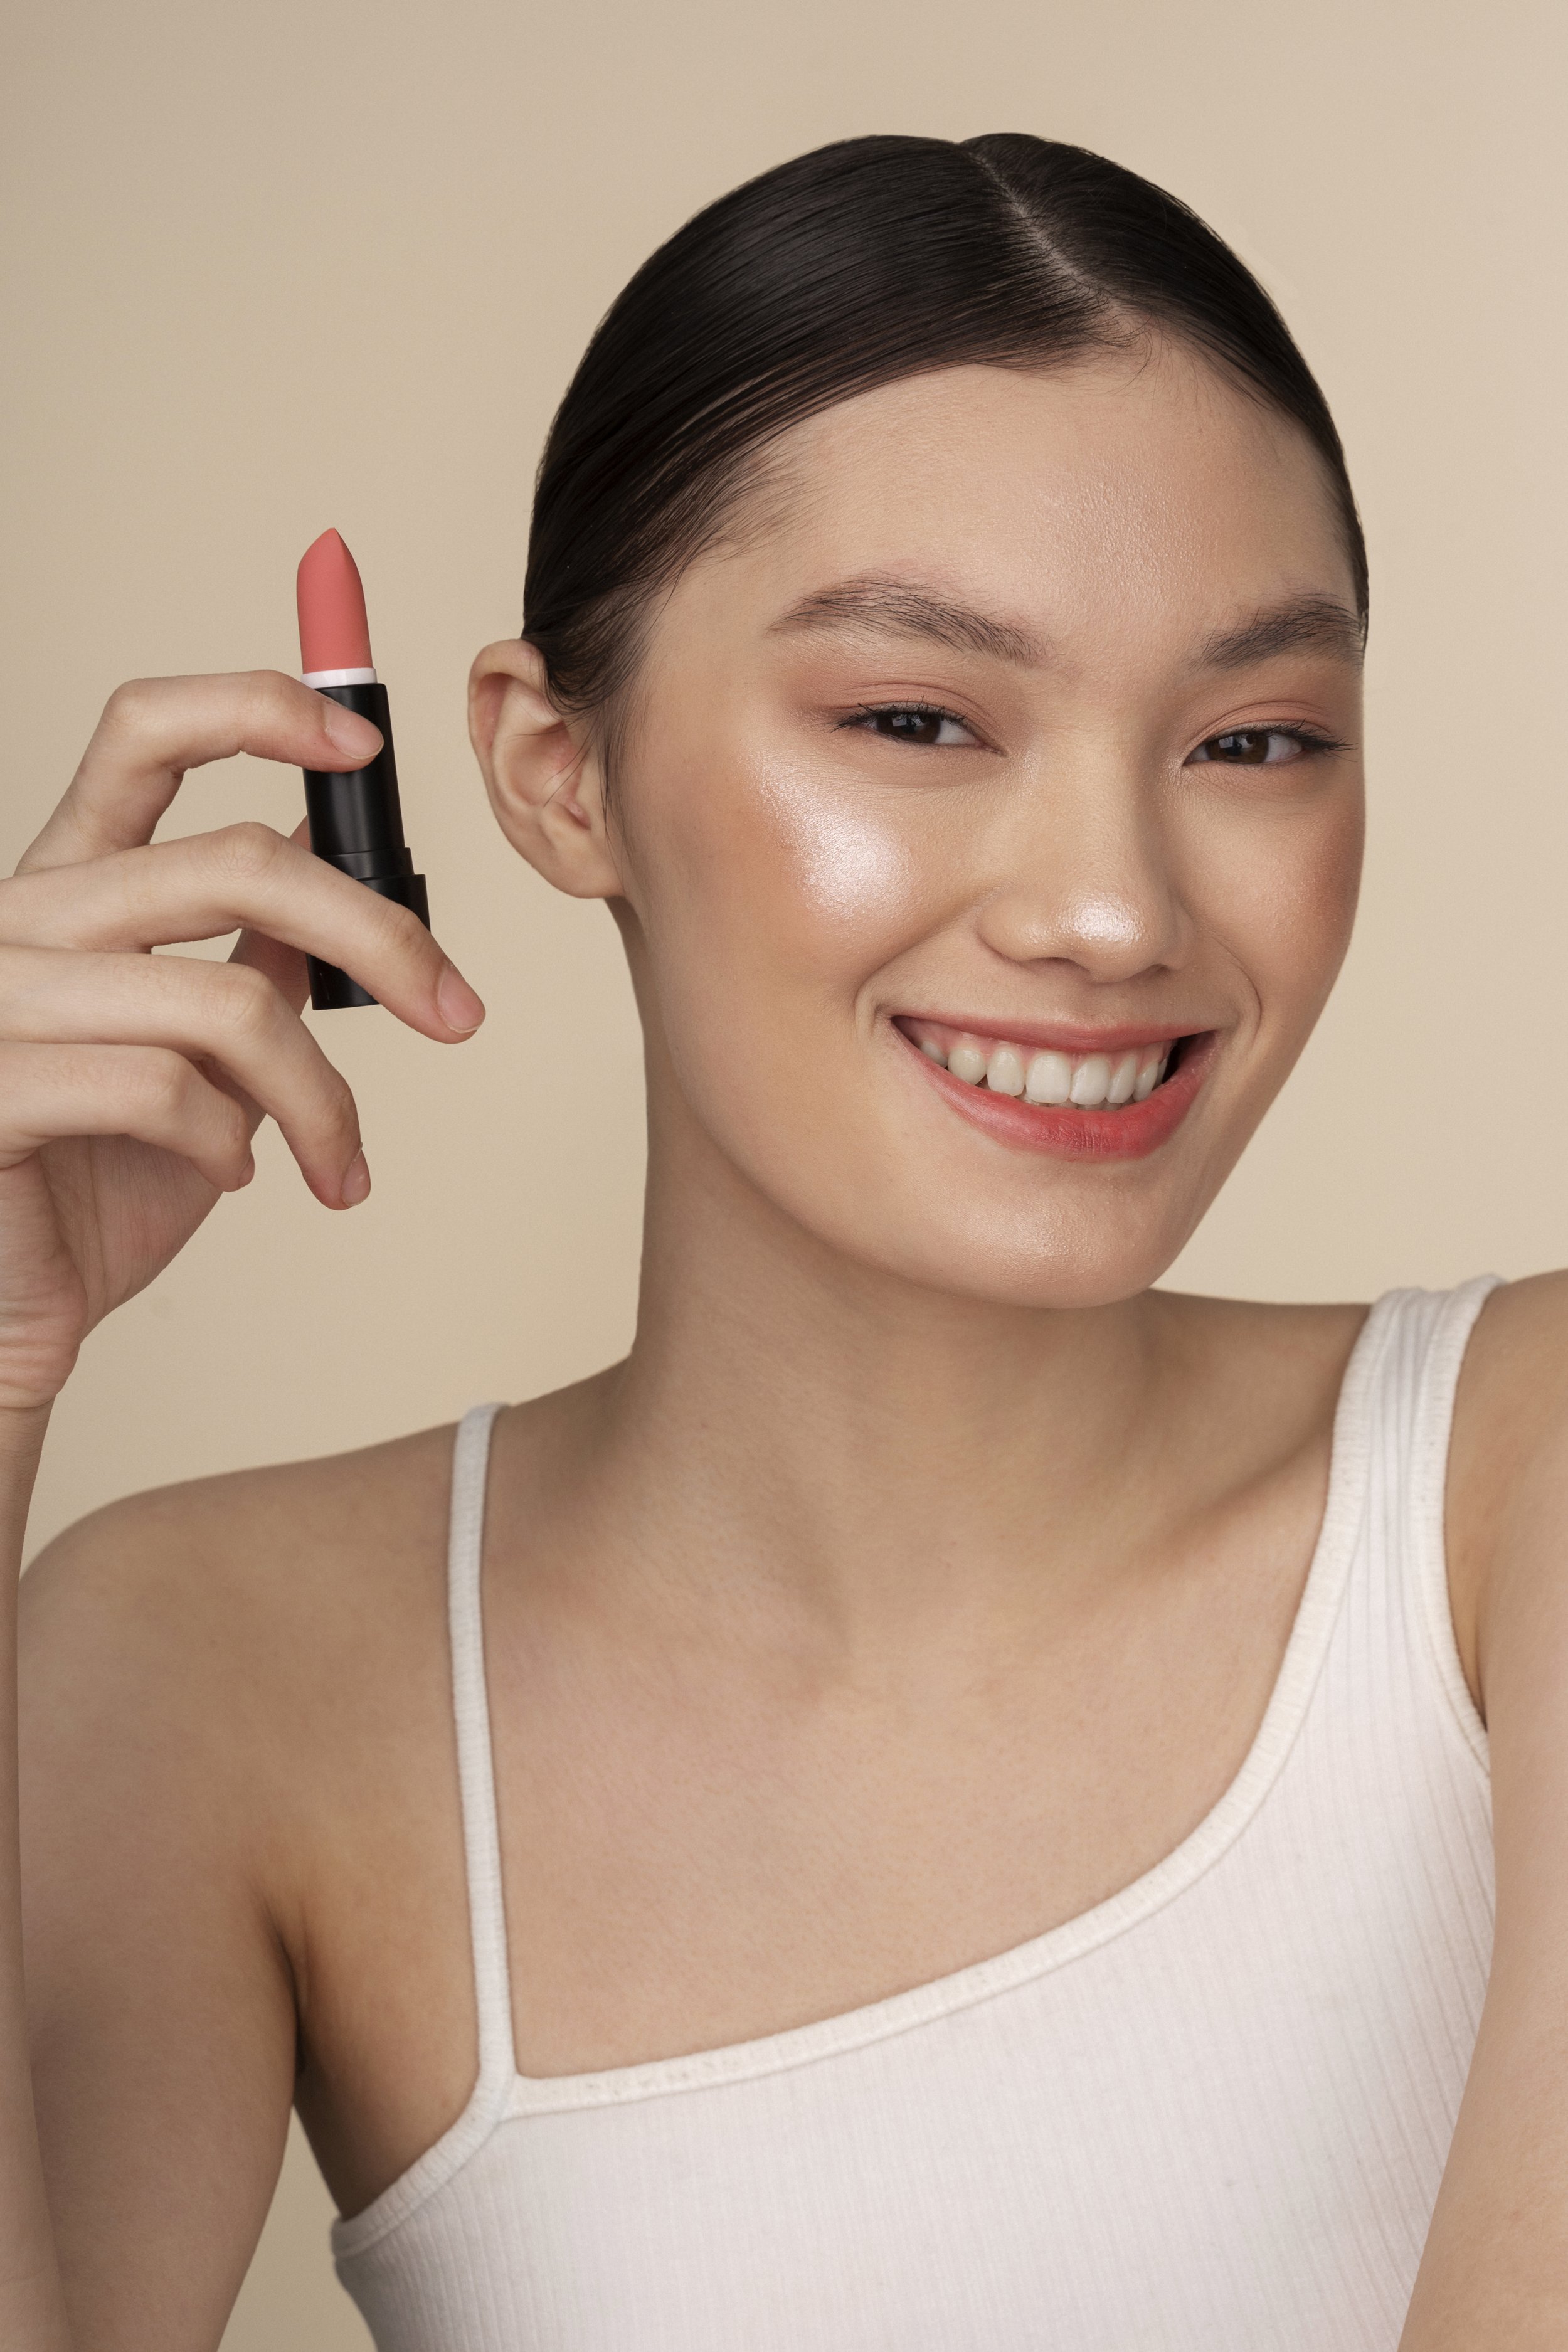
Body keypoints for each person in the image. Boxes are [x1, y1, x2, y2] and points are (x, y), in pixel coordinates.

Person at [0, 131, 1560, 2352]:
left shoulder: (1518, 1486)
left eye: (1255, 737)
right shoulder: (205, 1676)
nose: (1111, 907)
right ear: (556, 773)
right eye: (916, 719)